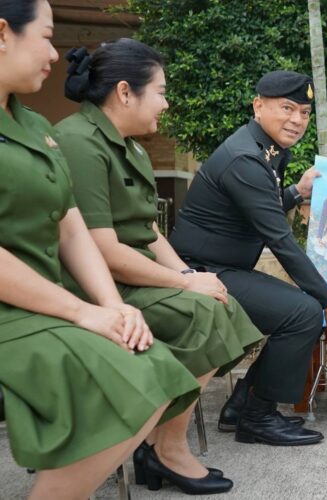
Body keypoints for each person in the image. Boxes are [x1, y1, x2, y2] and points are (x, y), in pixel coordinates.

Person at [0, 2, 200, 498]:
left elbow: (72, 230)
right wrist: (83, 311)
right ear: (3, 33)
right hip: (18, 307)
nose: (55, 54)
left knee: (154, 366)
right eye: (47, 36)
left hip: (43, 299)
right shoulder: (72, 136)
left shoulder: (34, 125)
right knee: (129, 375)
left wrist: (112, 307)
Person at [55, 39, 264, 494]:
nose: (166, 105)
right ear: (125, 92)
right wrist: (185, 287)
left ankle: (157, 440)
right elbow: (103, 250)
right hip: (94, 287)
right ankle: (166, 448)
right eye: (161, 92)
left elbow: (148, 230)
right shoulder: (79, 142)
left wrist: (191, 276)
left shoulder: (131, 148)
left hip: (135, 278)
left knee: (221, 303)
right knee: (202, 315)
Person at [169, 70, 327, 446]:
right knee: (304, 312)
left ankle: (241, 406)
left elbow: (258, 208)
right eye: (287, 108)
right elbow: (281, 241)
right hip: (201, 272)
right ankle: (257, 417)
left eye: (304, 112)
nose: (297, 119)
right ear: (258, 106)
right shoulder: (246, 159)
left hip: (223, 267)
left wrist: (296, 191)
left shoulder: (262, 150)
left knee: (298, 309)